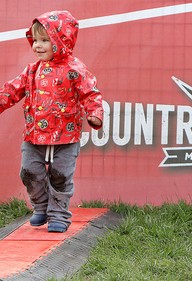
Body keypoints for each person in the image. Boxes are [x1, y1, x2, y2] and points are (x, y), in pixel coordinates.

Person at [0, 11, 103, 232]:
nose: (37, 45)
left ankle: (59, 215)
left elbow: (90, 93)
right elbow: (11, 90)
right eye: (35, 40)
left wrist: (95, 113)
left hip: (66, 137)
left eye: (45, 40)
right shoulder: (31, 71)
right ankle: (41, 207)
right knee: (29, 172)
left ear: (61, 41)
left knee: (61, 175)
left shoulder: (74, 69)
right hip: (33, 137)